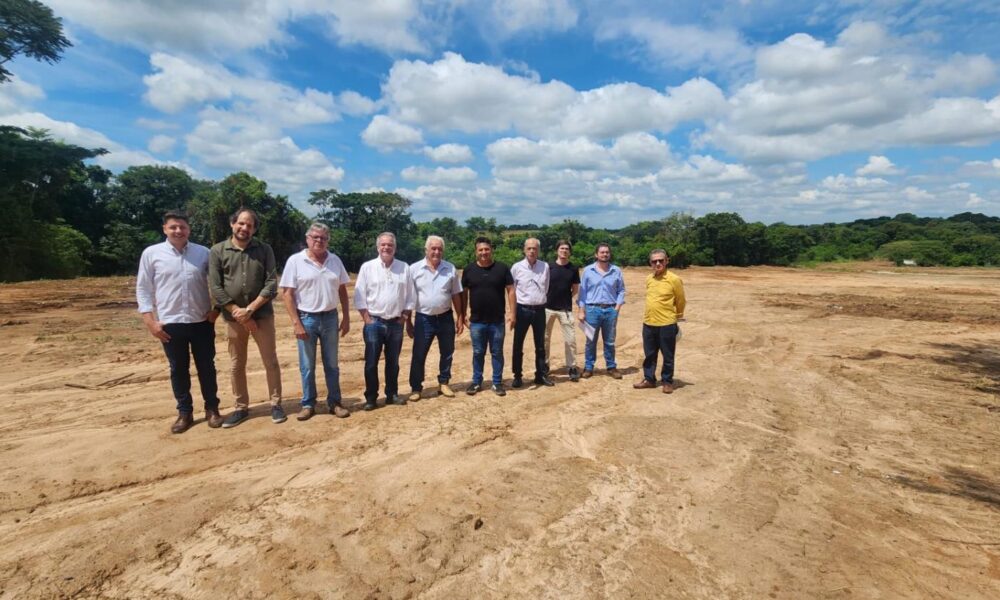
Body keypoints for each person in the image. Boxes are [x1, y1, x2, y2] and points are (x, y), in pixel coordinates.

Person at [136, 209, 222, 434]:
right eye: (173, 227)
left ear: (189, 229)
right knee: (178, 369)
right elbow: (143, 289)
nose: (178, 231)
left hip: (201, 321)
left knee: (207, 367)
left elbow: (219, 283)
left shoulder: (203, 253)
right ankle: (185, 412)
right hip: (170, 323)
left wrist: (216, 310)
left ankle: (212, 409)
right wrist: (150, 322)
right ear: (164, 229)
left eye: (182, 227)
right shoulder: (152, 254)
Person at [209, 207, 283, 427]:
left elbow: (271, 284)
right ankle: (241, 407)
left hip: (262, 316)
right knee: (236, 364)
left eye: (249, 225)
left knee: (270, 361)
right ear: (232, 224)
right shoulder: (218, 251)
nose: (245, 228)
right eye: (241, 223)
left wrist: (250, 309)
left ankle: (276, 404)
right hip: (232, 319)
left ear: (254, 229)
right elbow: (215, 287)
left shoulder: (264, 249)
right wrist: (238, 312)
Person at [279, 223, 351, 421]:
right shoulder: (296, 261)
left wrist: (346, 317)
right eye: (315, 237)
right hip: (306, 318)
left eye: (324, 238)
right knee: (307, 365)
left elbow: (343, 290)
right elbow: (287, 294)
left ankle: (335, 402)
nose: (319, 241)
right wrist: (296, 322)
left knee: (332, 364)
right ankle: (308, 403)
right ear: (307, 238)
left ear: (328, 240)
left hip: (330, 318)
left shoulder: (335, 260)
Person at [354, 232, 414, 410]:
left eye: (390, 245)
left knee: (393, 362)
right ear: (377, 247)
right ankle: (371, 397)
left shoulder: (404, 268)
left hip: (396, 323)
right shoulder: (367, 267)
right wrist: (366, 318)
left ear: (395, 248)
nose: (386, 247)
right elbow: (359, 295)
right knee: (371, 362)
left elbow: (411, 296)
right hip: (375, 322)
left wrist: (404, 317)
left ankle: (392, 394)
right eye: (383, 245)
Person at [406, 235, 464, 401]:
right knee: (419, 354)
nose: (436, 252)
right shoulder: (414, 269)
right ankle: (416, 388)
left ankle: (444, 382)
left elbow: (456, 295)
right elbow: (410, 297)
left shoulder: (450, 269)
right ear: (426, 250)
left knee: (447, 352)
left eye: (439, 249)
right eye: (433, 248)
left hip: (445, 317)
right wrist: (408, 321)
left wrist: (459, 317)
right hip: (423, 319)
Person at [461, 236, 515, 396]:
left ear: (491, 250)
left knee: (497, 352)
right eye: (480, 250)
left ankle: (497, 383)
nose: (484, 252)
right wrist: (462, 314)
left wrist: (513, 313)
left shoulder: (502, 268)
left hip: (497, 321)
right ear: (476, 252)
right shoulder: (469, 270)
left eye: (486, 249)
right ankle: (476, 381)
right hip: (477, 321)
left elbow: (511, 290)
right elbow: (463, 294)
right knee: (478, 352)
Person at [634, 249, 686, 394]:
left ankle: (667, 381)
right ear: (650, 263)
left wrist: (678, 316)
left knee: (668, 355)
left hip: (667, 323)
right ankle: (649, 379)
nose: (658, 263)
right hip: (649, 322)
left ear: (667, 261)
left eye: (661, 260)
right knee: (649, 354)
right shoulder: (649, 279)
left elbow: (681, 300)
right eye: (654, 261)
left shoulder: (674, 279)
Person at [577, 242, 626, 379]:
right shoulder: (588, 271)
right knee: (590, 340)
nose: (605, 254)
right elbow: (583, 292)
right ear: (596, 254)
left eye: (607, 252)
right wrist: (581, 310)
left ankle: (611, 367)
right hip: (592, 309)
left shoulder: (616, 270)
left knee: (609, 341)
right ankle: (588, 367)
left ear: (609, 254)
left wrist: (617, 308)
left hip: (610, 310)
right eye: (602, 252)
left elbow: (621, 290)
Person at [511, 237, 553, 388]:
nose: (532, 251)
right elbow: (512, 291)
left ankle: (540, 375)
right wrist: (513, 313)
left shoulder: (545, 267)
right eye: (529, 248)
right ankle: (517, 376)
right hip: (522, 310)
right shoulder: (516, 267)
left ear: (538, 250)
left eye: (535, 248)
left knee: (540, 345)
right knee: (518, 344)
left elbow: (546, 287)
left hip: (540, 310)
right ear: (524, 249)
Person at [545, 239, 581, 382]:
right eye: (561, 248)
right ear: (557, 251)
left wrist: (565, 297)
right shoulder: (549, 267)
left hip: (565, 309)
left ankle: (572, 367)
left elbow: (575, 289)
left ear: (569, 252)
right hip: (547, 308)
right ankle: (545, 365)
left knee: (570, 340)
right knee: (544, 339)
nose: (564, 251)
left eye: (566, 249)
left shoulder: (573, 268)